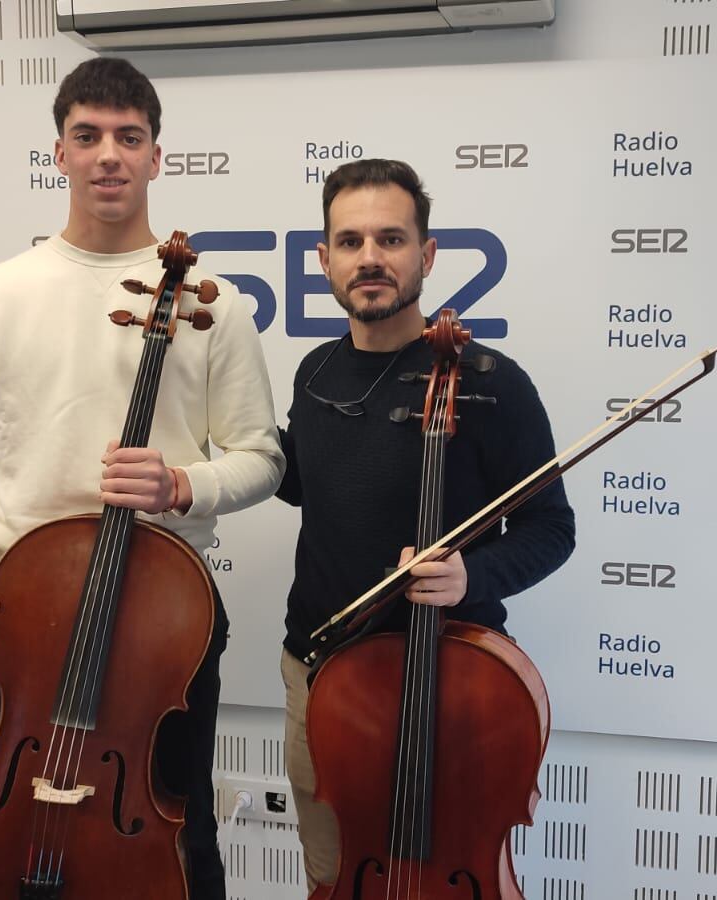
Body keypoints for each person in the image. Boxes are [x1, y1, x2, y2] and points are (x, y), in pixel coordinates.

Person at [0, 56, 284, 899]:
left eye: (129, 137)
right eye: (88, 136)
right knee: (23, 819)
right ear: (59, 153)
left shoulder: (213, 303)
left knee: (176, 828)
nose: (108, 155)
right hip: (28, 611)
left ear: (158, 156)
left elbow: (261, 456)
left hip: (166, 613)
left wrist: (182, 486)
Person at [275, 158, 576, 892]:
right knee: (333, 873)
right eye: (349, 241)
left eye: (391, 239)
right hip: (320, 676)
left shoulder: (492, 382)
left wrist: (473, 573)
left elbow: (550, 528)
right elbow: (306, 483)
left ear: (426, 254)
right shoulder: (315, 372)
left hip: (450, 684)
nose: (370, 258)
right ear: (323, 260)